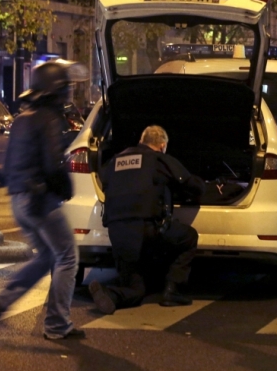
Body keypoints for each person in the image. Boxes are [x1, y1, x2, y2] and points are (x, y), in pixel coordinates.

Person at [0, 59, 88, 340]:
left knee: (46, 255)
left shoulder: (23, 117)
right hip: (40, 200)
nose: (68, 93)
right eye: (65, 88)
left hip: (19, 199)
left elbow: (7, 167)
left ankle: (5, 299)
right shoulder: (48, 118)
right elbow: (54, 162)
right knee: (68, 256)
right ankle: (57, 325)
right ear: (56, 91)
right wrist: (65, 188)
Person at [88, 125, 205, 315]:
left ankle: (110, 295)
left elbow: (104, 184)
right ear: (162, 145)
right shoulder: (159, 159)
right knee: (188, 237)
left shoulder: (113, 161)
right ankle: (172, 291)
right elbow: (193, 186)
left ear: (141, 141)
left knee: (136, 289)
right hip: (147, 230)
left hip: (117, 234)